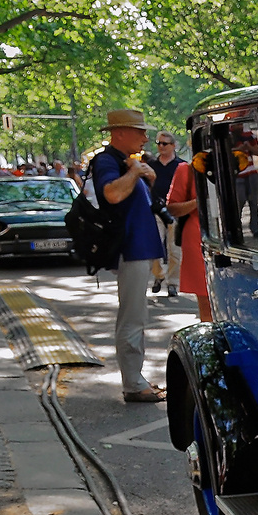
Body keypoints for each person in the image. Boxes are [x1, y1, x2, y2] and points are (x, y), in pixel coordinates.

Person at [89, 109, 167, 402]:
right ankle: (134, 384)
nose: (146, 139)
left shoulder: (124, 161)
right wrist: (136, 172)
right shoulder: (107, 161)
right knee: (133, 317)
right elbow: (112, 194)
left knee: (138, 316)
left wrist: (144, 175)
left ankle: (138, 378)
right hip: (129, 248)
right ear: (119, 133)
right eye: (140, 132)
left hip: (139, 247)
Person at [167, 150, 210, 322]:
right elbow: (172, 207)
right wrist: (198, 201)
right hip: (197, 238)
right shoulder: (187, 169)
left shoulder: (236, 162)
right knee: (206, 301)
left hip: (233, 236)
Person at [148, 132, 185, 297]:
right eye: (159, 143)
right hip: (155, 212)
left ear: (173, 145)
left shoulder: (181, 165)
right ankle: (158, 275)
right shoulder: (150, 166)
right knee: (154, 247)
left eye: (165, 143)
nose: (161, 146)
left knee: (175, 250)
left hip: (174, 212)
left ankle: (172, 283)